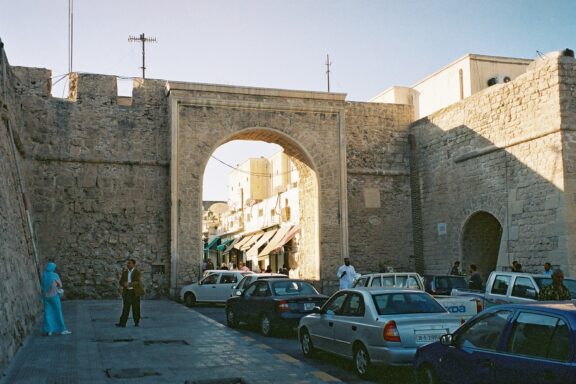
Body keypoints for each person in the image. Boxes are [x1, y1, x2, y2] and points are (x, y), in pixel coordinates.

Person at [41, 262, 71, 336]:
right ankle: (62, 329)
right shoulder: (54, 275)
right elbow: (60, 285)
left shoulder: (44, 275)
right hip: (54, 296)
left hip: (46, 297)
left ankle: (49, 330)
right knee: (58, 312)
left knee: (48, 313)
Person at [116, 259, 145, 327]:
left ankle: (136, 322)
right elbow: (120, 282)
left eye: (129, 263)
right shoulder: (125, 273)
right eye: (127, 263)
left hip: (135, 293)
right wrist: (124, 284)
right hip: (127, 293)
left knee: (136, 308)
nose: (128, 264)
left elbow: (137, 281)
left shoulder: (137, 272)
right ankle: (122, 323)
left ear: (134, 264)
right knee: (125, 308)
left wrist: (129, 284)